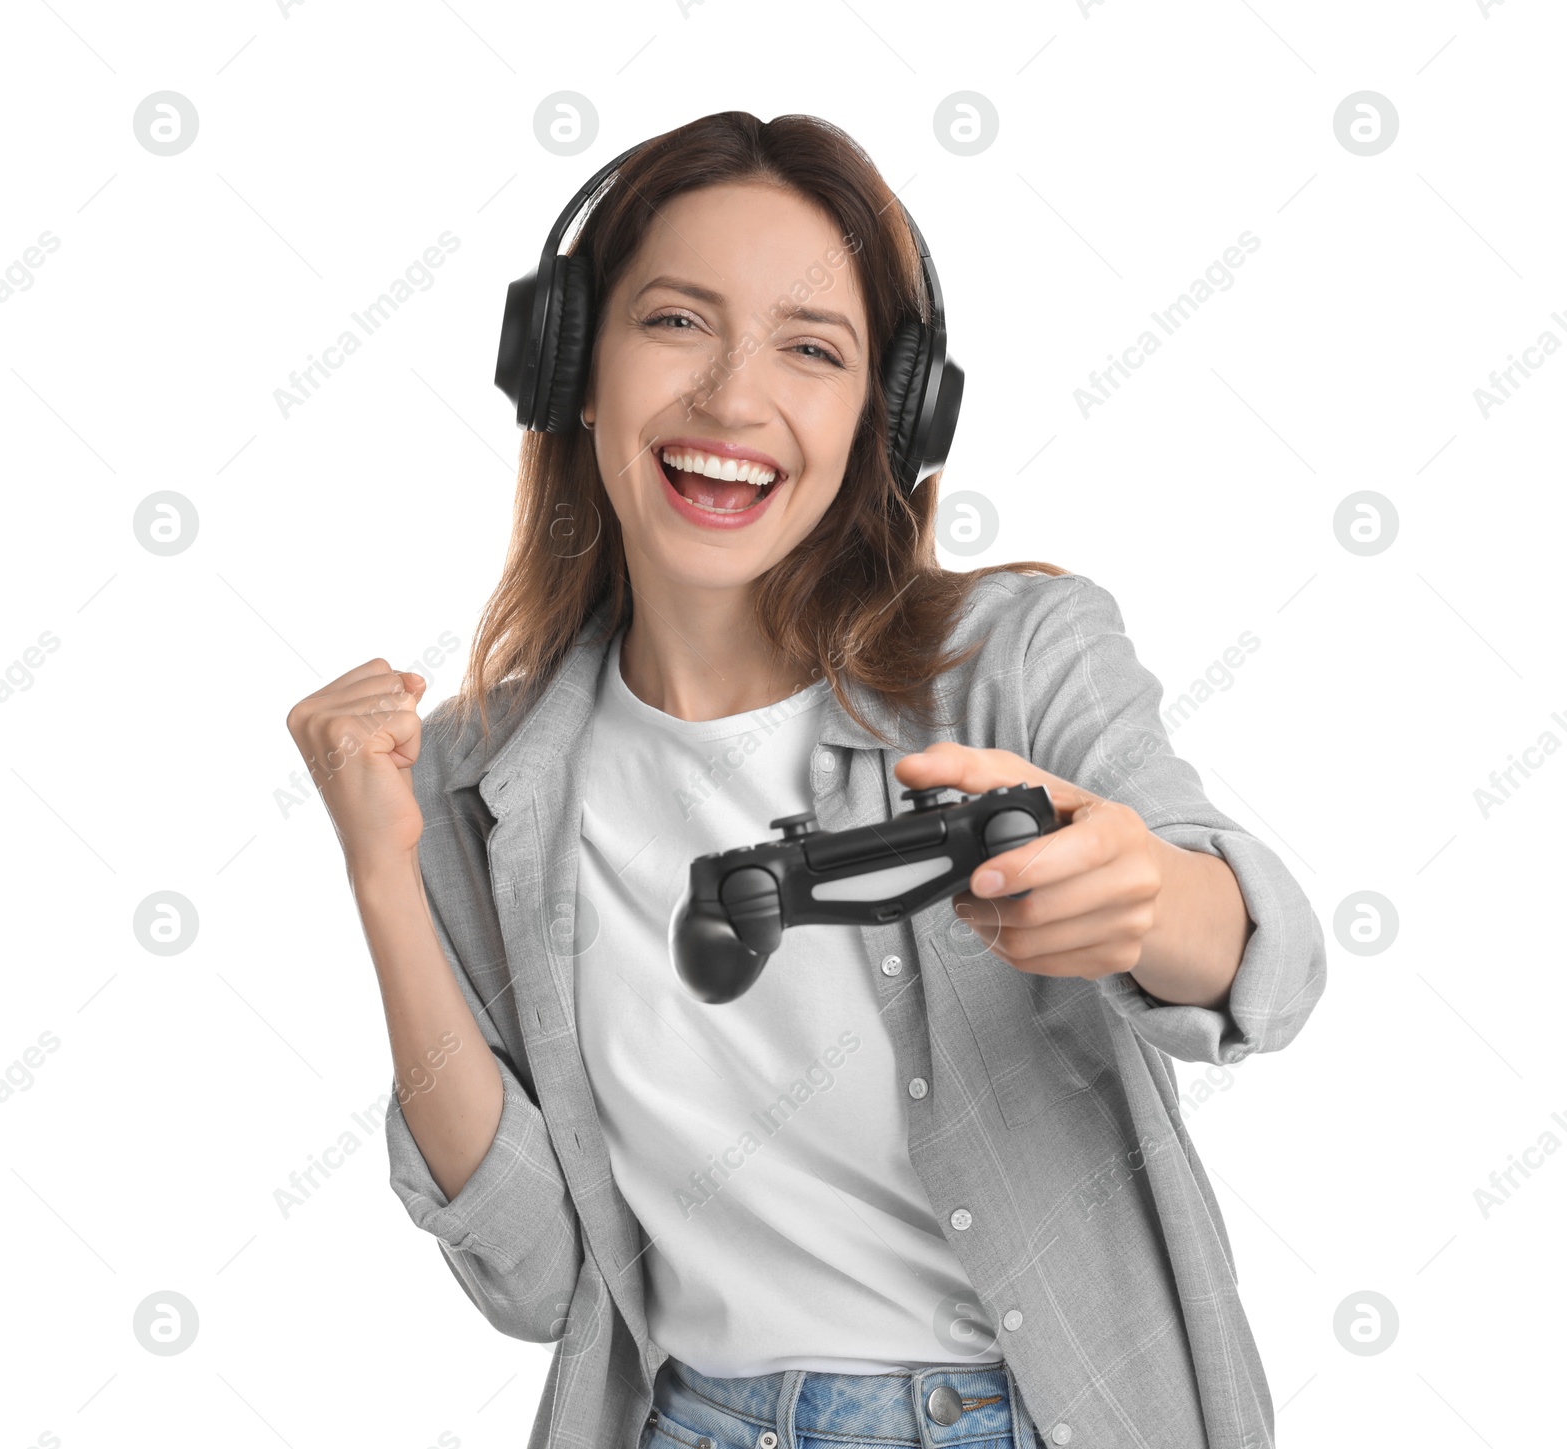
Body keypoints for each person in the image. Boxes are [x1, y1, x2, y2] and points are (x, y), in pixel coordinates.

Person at [286, 111, 1326, 1449]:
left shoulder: (1012, 659)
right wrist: (380, 870)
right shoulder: (478, 781)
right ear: (571, 366)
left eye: (812, 349)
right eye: (675, 322)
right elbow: (537, 1274)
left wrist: (1154, 900)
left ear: (887, 418)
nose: (731, 399)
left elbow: (1265, 963)